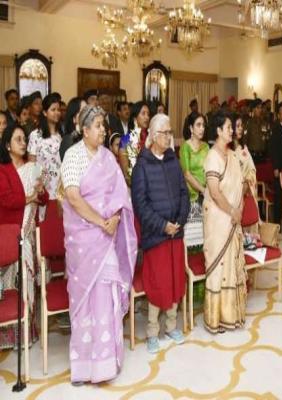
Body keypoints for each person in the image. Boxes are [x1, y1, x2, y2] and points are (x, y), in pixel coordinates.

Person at [61, 105, 137, 384]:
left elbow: (120, 194)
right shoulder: (72, 156)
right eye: (98, 126)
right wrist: (100, 222)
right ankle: (83, 367)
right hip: (83, 241)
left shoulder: (107, 158)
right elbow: (73, 197)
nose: (103, 130)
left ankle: (106, 363)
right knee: (84, 300)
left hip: (107, 238)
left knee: (107, 294)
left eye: (104, 126)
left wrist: (114, 219)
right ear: (84, 130)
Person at [131, 113, 189, 354]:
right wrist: (163, 225)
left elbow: (184, 193)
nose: (169, 136)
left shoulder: (173, 161)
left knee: (175, 280)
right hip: (156, 236)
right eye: (165, 133)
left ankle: (172, 326)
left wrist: (179, 221)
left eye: (170, 132)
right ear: (154, 136)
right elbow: (140, 205)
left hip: (176, 233)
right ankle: (152, 332)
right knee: (158, 282)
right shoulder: (142, 166)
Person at [0, 124, 48, 349]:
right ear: (7, 145)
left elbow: (43, 198)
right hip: (10, 234)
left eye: (24, 139)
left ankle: (27, 333)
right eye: (17, 139)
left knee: (27, 283)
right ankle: (9, 335)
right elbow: (7, 200)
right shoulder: (3, 170)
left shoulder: (33, 168)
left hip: (28, 234)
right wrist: (30, 197)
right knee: (11, 285)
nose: (23, 143)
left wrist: (40, 192)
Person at [202, 111, 247, 333]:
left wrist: (240, 209)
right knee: (218, 267)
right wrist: (231, 211)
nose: (232, 130)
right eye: (229, 127)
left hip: (233, 217)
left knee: (232, 266)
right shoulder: (212, 157)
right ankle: (215, 318)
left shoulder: (233, 156)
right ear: (219, 131)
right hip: (218, 220)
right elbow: (214, 192)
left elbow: (241, 184)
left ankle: (232, 315)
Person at [179, 112, 209, 248]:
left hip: (206, 194)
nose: (202, 128)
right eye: (198, 125)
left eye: (203, 125)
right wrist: (202, 190)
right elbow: (187, 174)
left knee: (206, 236)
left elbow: (209, 169)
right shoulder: (185, 147)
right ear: (191, 128)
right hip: (191, 196)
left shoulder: (206, 147)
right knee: (192, 239)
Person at [27, 93, 61, 200]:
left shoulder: (61, 135)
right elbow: (32, 165)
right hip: (43, 190)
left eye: (58, 110)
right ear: (45, 112)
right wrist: (40, 184)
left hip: (61, 191)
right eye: (53, 109)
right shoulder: (36, 135)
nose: (57, 113)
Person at [118, 101, 150, 185]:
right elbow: (126, 175)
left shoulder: (151, 138)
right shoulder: (126, 140)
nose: (147, 117)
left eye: (148, 114)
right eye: (143, 113)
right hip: (134, 184)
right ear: (135, 118)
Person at [231, 113, 257, 197]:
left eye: (241, 125)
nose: (241, 128)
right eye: (237, 126)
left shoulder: (244, 148)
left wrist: (247, 182)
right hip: (232, 193)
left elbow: (252, 169)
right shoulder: (227, 151)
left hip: (246, 190)